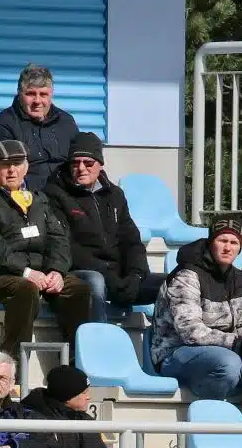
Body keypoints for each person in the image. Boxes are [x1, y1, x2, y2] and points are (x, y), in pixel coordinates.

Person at [150, 217, 242, 404]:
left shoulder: (238, 278)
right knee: (229, 363)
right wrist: (241, 345)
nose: (228, 248)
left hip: (226, 352)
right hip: (176, 352)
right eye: (222, 241)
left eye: (234, 243)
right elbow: (191, 331)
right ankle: (211, 412)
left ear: (240, 248)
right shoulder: (186, 275)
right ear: (211, 242)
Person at [0, 138, 93, 353]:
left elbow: (58, 238)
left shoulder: (39, 198)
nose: (12, 170)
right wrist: (26, 272)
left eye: (17, 164)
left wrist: (57, 271)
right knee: (26, 289)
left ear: (26, 167)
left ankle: (74, 360)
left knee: (78, 289)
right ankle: (13, 360)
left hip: (40, 272)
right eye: (5, 164)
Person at [43, 131, 161, 321]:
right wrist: (109, 277)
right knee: (96, 282)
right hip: (83, 272)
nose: (81, 168)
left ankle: (164, 339)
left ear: (100, 164)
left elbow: (131, 240)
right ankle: (96, 339)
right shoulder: (54, 194)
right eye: (75, 163)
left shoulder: (114, 195)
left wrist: (136, 275)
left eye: (88, 163)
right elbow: (66, 246)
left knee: (175, 283)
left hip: (119, 275)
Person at [0, 64, 79, 192]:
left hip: (68, 192)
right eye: (31, 94)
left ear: (51, 94)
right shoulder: (4, 124)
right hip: (28, 195)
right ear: (19, 93)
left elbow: (81, 160)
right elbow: (2, 171)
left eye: (43, 94)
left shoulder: (66, 121)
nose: (37, 101)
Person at [20, 364, 111, 448]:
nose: (89, 397)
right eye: (84, 393)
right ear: (67, 396)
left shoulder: (85, 420)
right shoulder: (33, 419)